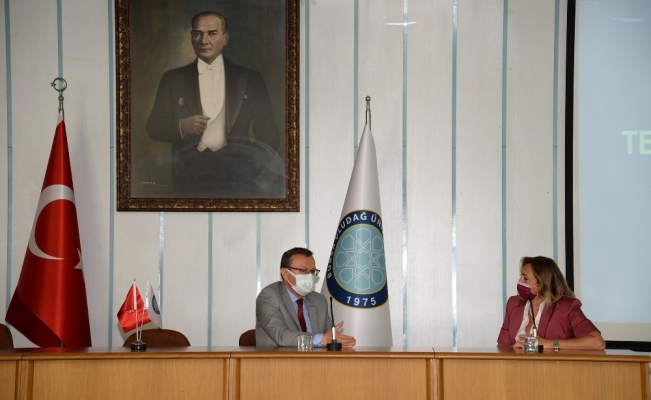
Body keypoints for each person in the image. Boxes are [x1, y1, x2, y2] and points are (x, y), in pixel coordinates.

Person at [146, 11, 283, 198]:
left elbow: (270, 135)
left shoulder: (251, 79)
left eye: (212, 33)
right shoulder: (172, 79)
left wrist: (247, 170)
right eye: (198, 34)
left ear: (225, 38)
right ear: (191, 38)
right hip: (188, 176)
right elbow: (153, 127)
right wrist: (181, 126)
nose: (204, 40)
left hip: (238, 179)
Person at [497, 256, 605, 350]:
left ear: (542, 283)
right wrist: (513, 348)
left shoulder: (567, 307)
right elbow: (501, 346)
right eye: (521, 276)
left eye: (525, 278)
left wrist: (550, 344)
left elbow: (597, 343)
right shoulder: (514, 304)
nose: (520, 281)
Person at [256, 247, 356, 348]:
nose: (309, 276)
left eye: (312, 271)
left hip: (316, 358)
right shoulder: (269, 296)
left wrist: (337, 339)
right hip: (279, 358)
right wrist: (320, 339)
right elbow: (281, 336)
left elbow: (329, 336)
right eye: (303, 270)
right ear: (285, 273)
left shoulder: (319, 300)